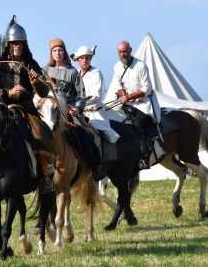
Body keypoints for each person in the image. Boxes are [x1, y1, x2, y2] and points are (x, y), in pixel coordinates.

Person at [0, 15, 58, 193]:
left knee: (41, 133)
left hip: (26, 109)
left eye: (20, 43)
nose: (17, 46)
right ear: (8, 44)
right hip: (1, 109)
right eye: (14, 43)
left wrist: (36, 82)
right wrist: (9, 93)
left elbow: (44, 93)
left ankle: (44, 177)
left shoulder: (32, 65)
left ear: (24, 44)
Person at [43, 38, 106, 182]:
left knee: (85, 135)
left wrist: (78, 109)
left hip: (69, 113)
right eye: (54, 51)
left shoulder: (72, 72)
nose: (57, 53)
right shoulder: (44, 71)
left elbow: (81, 95)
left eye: (60, 50)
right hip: (50, 112)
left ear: (64, 52)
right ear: (51, 53)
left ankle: (95, 167)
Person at [114, 41, 161, 169]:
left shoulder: (141, 65)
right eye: (120, 52)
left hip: (144, 103)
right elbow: (117, 85)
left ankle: (144, 157)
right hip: (128, 103)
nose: (123, 54)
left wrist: (128, 96)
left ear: (130, 50)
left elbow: (147, 89)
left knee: (138, 124)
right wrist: (120, 92)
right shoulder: (117, 67)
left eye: (125, 51)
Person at [70, 45, 120, 145]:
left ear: (91, 58)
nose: (85, 60)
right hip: (78, 113)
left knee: (94, 135)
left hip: (95, 113)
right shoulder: (75, 73)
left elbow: (96, 97)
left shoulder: (95, 73)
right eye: (82, 58)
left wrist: (79, 104)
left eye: (87, 57)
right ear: (78, 60)